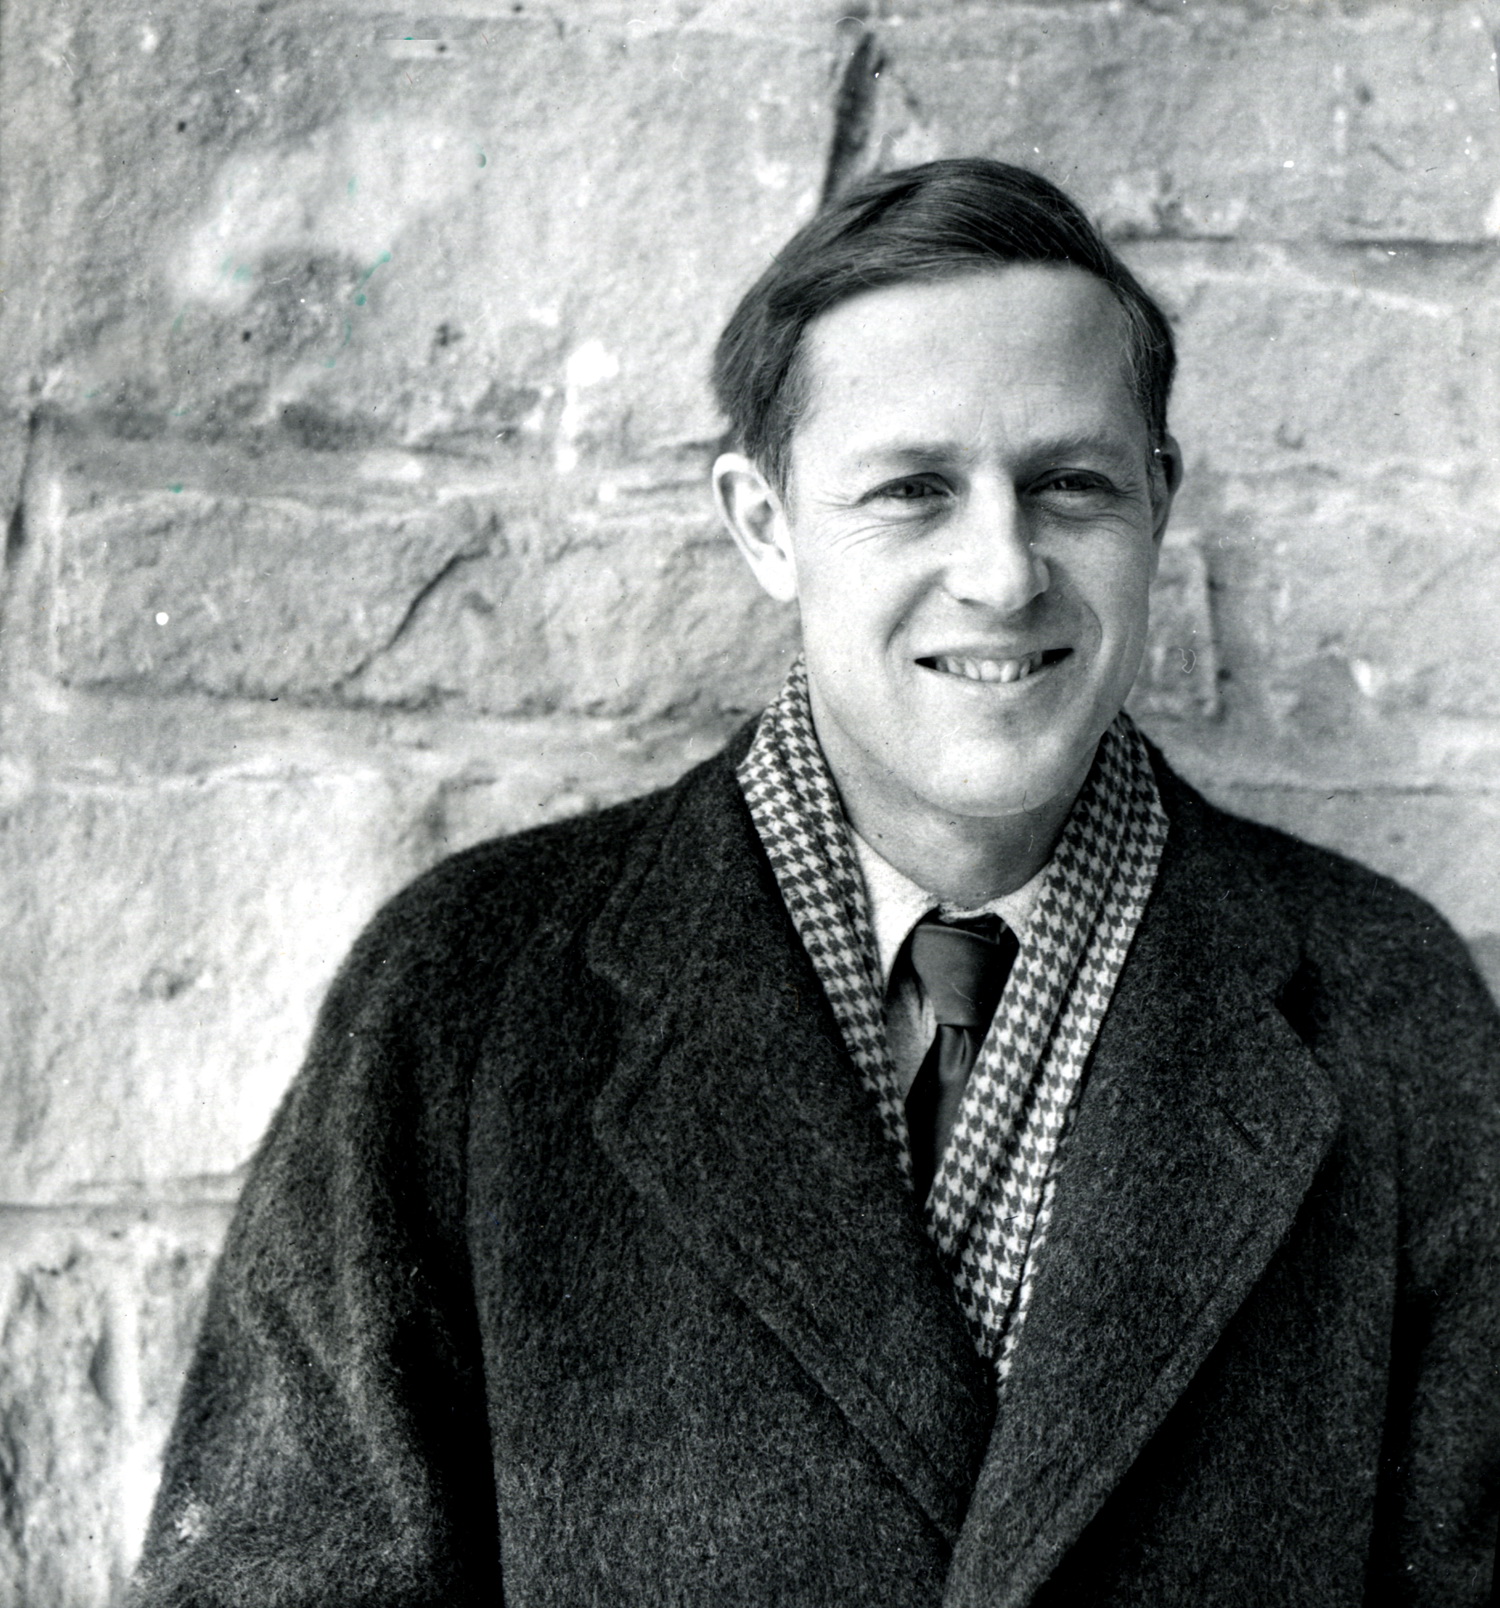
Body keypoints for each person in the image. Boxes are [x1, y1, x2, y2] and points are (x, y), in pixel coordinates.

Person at [132, 159, 1500, 1605]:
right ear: (764, 524)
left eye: (1069, 485)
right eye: (913, 490)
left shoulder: (1386, 1005)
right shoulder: (465, 1000)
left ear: (1158, 501)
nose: (1003, 573)